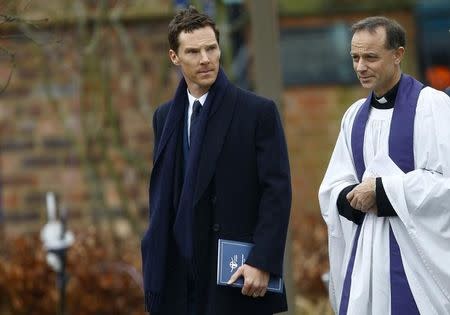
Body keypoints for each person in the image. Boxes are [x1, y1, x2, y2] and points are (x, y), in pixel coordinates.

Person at [141, 6, 291, 315]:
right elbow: (163, 199)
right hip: (177, 280)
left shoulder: (257, 112)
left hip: (236, 276)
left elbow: (276, 192)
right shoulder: (164, 117)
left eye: (211, 48)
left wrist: (262, 261)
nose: (206, 58)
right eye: (193, 51)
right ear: (174, 57)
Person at [319, 16, 450, 315]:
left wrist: (382, 191)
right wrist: (351, 195)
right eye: (355, 57)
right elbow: (332, 187)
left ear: (398, 54)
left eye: (371, 57)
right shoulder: (354, 117)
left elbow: (445, 184)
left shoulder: (431, 106)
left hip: (417, 262)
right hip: (367, 259)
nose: (360, 66)